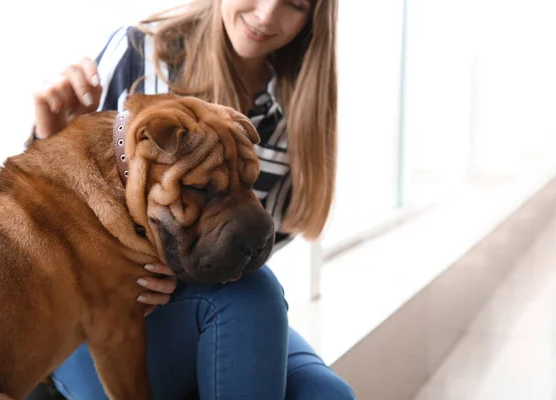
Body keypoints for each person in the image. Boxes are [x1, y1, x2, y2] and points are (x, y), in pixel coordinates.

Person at [28, 0, 353, 399]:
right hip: (104, 307)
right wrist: (49, 138)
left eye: (294, 4)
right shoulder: (139, 55)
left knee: (326, 393)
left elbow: (252, 245)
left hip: (205, 302)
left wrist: (183, 270)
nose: (267, 14)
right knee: (253, 295)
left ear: (312, 18)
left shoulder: (297, 107)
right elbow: (40, 223)